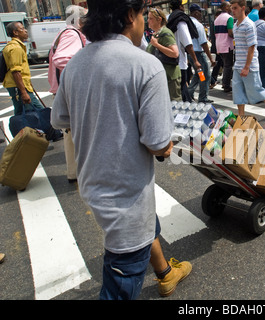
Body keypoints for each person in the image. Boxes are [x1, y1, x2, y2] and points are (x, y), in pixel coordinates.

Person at [51, 0, 192, 300]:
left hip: (92, 183)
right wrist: (169, 144)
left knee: (146, 224)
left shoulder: (77, 62)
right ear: (130, 15)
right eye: (142, 14)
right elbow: (157, 144)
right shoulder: (145, 65)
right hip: (124, 193)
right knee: (121, 277)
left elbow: (59, 118)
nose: (144, 22)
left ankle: (166, 273)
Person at [3, 21, 63, 142]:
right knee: (36, 109)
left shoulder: (16, 46)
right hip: (19, 87)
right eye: (21, 28)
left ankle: (27, 137)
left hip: (20, 86)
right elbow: (16, 72)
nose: (25, 30)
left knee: (22, 112)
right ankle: (53, 133)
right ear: (15, 32)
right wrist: (23, 91)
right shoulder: (15, 48)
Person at [48, 5, 87, 184]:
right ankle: (78, 173)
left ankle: (74, 172)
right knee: (74, 133)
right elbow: (62, 59)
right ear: (79, 20)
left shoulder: (63, 33)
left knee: (70, 134)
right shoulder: (72, 34)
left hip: (61, 90)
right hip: (69, 92)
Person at [230, 0, 265, 120]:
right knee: (238, 92)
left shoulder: (249, 25)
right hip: (238, 65)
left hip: (250, 66)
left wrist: (247, 67)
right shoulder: (235, 25)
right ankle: (241, 117)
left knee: (256, 90)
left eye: (235, 8)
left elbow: (252, 47)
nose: (233, 11)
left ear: (242, 8)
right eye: (232, 8)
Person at [167, 0, 202, 102]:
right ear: (181, 6)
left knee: (181, 90)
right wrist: (195, 60)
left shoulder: (169, 19)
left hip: (171, 61)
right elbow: (188, 43)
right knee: (183, 92)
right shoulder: (180, 20)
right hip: (180, 62)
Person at [147, 7, 181, 102]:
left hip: (170, 76)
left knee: (174, 104)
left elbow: (175, 53)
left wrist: (157, 45)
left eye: (151, 18)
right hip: (163, 76)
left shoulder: (165, 33)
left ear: (159, 19)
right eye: (148, 18)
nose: (148, 21)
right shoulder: (157, 33)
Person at [187, 4, 216, 103]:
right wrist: (211, 58)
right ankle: (203, 98)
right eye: (200, 12)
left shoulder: (186, 23)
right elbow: (203, 43)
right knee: (206, 75)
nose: (201, 14)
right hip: (198, 53)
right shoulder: (198, 25)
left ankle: (188, 93)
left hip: (190, 53)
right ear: (195, 13)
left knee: (199, 74)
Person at [214, 1, 234, 93]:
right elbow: (230, 33)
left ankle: (225, 83)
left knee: (225, 64)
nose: (231, 8)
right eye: (230, 6)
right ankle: (226, 84)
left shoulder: (217, 19)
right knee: (228, 65)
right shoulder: (229, 18)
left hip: (219, 44)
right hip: (227, 45)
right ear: (226, 8)